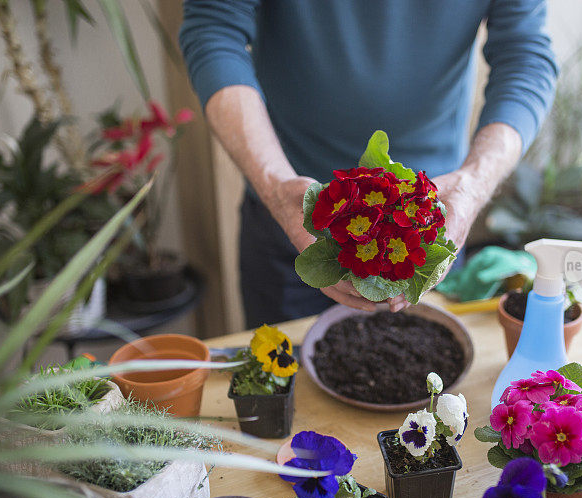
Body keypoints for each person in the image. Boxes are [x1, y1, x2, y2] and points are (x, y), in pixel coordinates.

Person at [180, 0, 557, 328]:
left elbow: (524, 56)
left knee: (423, 401)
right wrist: (277, 187)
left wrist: (473, 185)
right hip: (287, 210)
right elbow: (214, 29)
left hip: (428, 225)